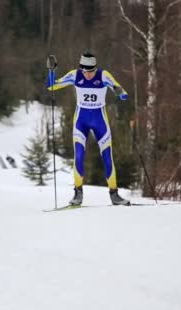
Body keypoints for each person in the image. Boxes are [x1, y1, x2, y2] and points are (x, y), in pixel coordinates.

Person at [46, 52, 130, 206]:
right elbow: (51, 86)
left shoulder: (103, 75)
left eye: (90, 71)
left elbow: (119, 88)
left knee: (107, 157)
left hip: (100, 121)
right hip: (81, 121)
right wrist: (51, 71)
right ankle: (78, 193)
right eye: (85, 71)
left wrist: (121, 94)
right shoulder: (75, 75)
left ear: (95, 68)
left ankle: (114, 195)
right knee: (78, 155)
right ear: (81, 69)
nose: (88, 74)